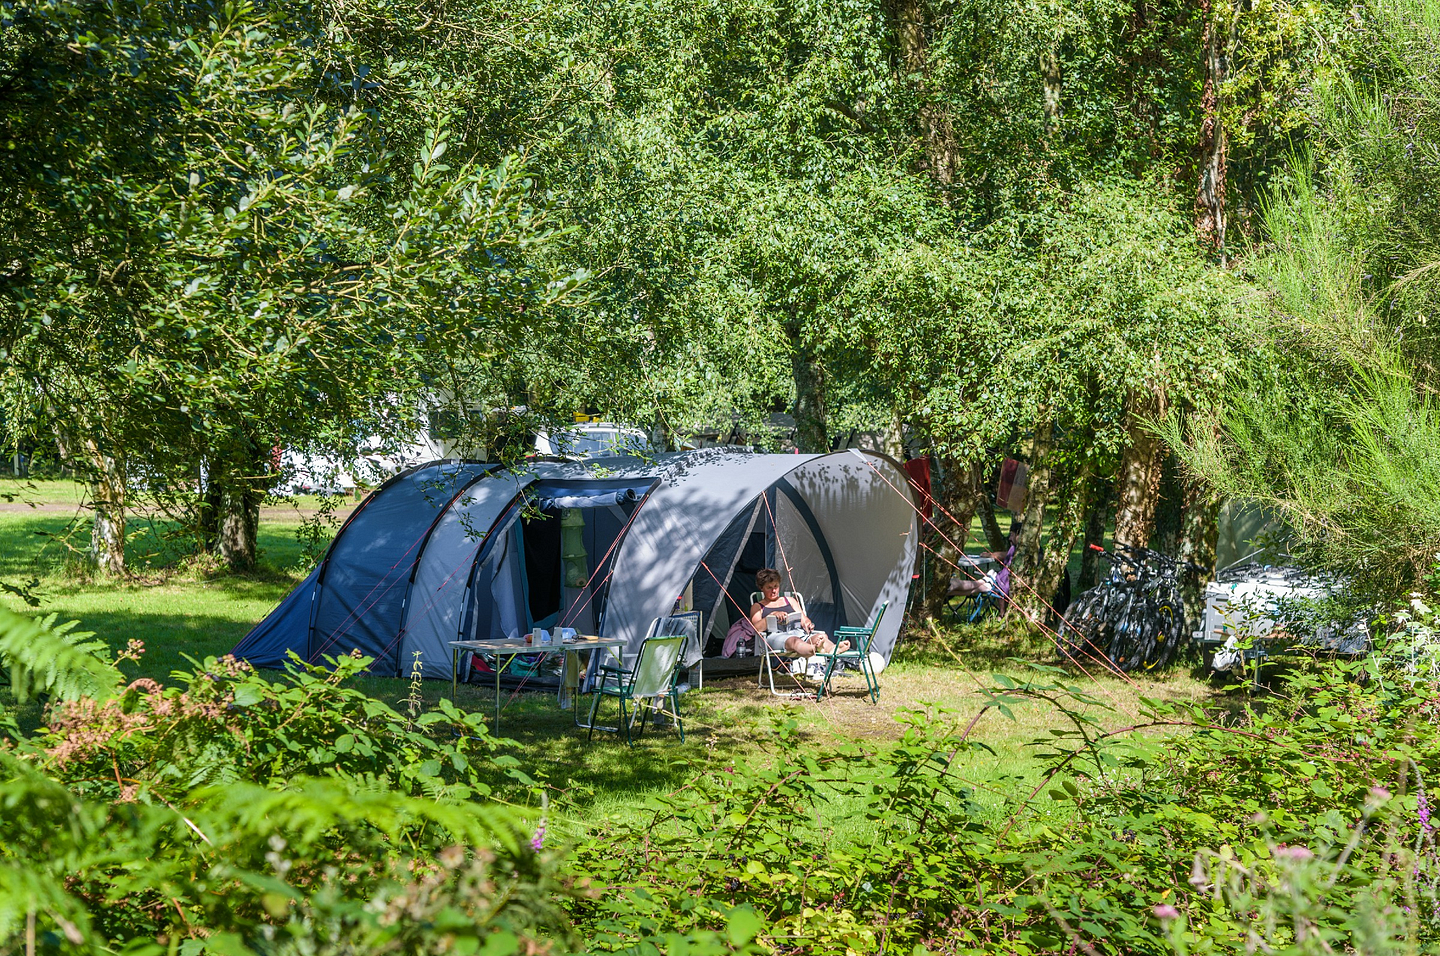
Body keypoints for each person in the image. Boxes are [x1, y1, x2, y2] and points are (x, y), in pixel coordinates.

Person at [750, 568, 849, 665]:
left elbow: (803, 619)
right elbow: (756, 628)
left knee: (820, 636)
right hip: (776, 637)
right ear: (761, 587)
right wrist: (772, 616)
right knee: (795, 641)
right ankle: (814, 649)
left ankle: (832, 648)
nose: (774, 591)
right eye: (769, 587)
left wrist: (807, 623)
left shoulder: (790, 600)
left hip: (797, 632)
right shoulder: (758, 607)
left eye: (776, 586)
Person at [948, 521, 1021, 600]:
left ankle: (950, 586)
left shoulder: (1018, 551)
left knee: (976, 585)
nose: (1010, 538)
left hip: (1000, 583)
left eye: (1012, 535)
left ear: (1018, 534)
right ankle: (949, 589)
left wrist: (990, 555)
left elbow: (1003, 555)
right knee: (975, 588)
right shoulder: (1017, 549)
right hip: (998, 583)